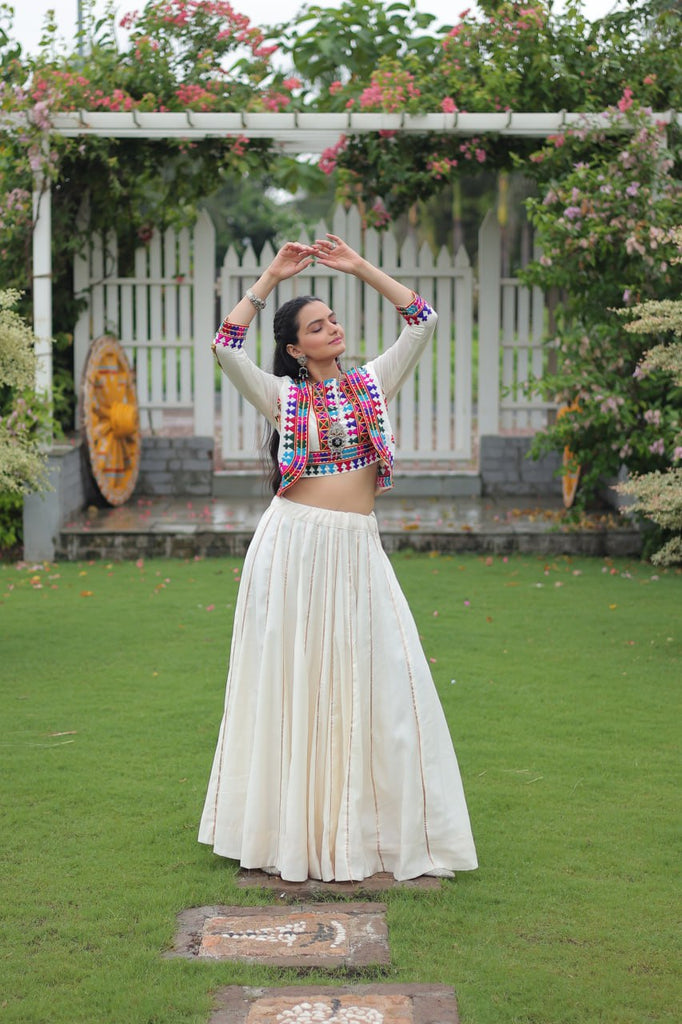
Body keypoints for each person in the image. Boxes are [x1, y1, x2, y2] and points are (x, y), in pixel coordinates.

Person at [198, 234, 477, 882]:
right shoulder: (283, 397)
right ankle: (288, 835)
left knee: (381, 678)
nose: (332, 329)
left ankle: (364, 830)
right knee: (295, 682)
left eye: (333, 319)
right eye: (317, 327)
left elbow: (422, 320)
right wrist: (269, 277)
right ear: (295, 347)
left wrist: (357, 266)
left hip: (355, 547)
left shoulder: (373, 382)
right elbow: (225, 347)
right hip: (293, 545)